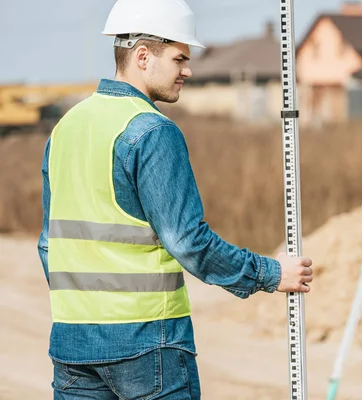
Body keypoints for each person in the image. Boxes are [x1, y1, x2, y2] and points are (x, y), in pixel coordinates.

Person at [37, 0, 313, 398]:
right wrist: (271, 274)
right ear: (143, 56)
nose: (188, 70)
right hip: (147, 342)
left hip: (72, 345)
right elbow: (189, 242)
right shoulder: (151, 132)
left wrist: (84, 312)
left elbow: (49, 243)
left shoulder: (65, 128)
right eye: (179, 58)